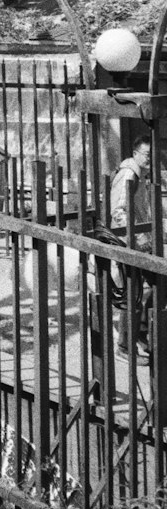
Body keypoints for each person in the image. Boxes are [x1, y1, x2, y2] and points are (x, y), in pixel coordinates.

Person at [110, 138, 152, 359]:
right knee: (133, 295)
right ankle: (124, 347)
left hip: (142, 241)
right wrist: (135, 239)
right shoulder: (129, 174)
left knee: (155, 286)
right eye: (146, 154)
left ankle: (141, 333)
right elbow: (119, 212)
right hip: (128, 243)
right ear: (135, 153)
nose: (149, 158)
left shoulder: (140, 175)